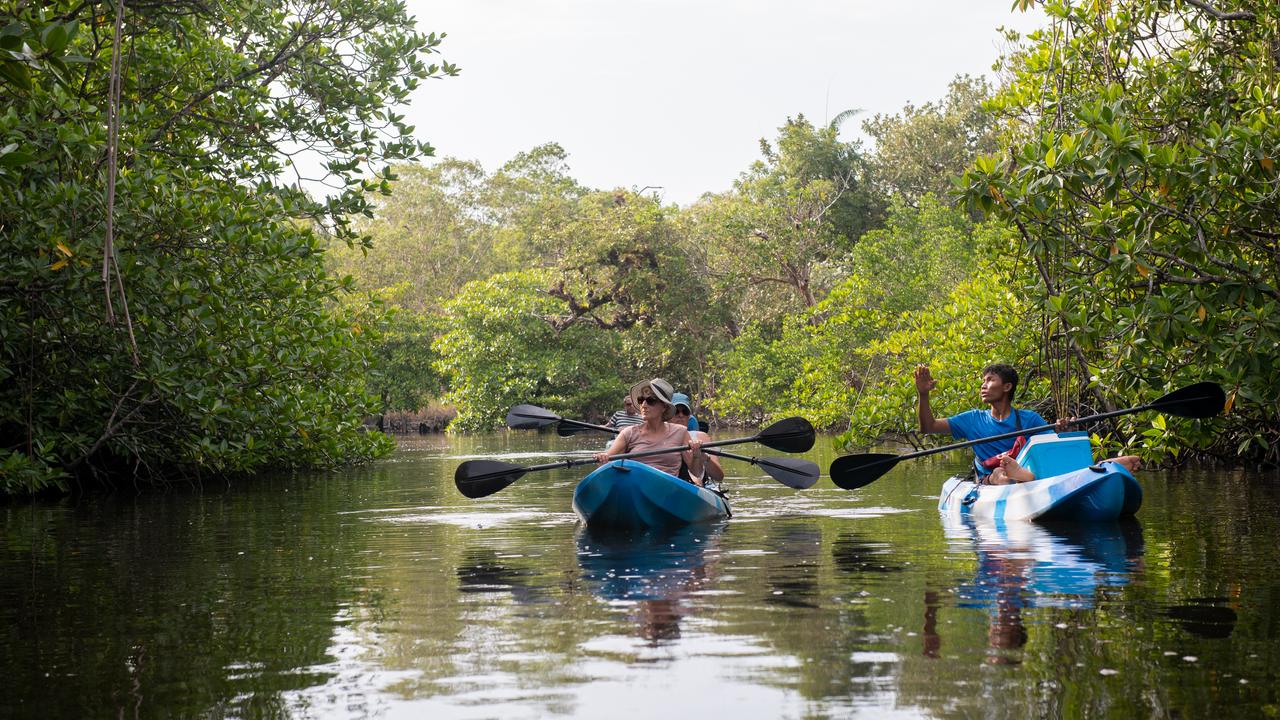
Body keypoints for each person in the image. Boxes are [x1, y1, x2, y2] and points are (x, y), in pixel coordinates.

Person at [916, 363, 1139, 485]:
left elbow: (1052, 448)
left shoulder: (1029, 419)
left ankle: (1105, 466)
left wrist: (1063, 430)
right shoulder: (972, 419)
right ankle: (1022, 476)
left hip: (1027, 470)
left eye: (990, 380)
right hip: (993, 476)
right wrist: (923, 395)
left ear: (1006, 387)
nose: (983, 386)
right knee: (1001, 476)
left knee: (1052, 467)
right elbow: (929, 427)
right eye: (983, 381)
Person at [594, 378, 709, 484]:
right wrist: (602, 459)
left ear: (664, 407)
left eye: (651, 401)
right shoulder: (628, 433)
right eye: (641, 400)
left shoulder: (681, 432)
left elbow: (696, 473)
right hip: (635, 486)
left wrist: (696, 455)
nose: (644, 405)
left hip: (668, 490)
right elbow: (605, 463)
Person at [671, 396, 723, 485]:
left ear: (689, 416)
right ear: (668, 414)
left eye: (685, 412)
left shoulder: (700, 436)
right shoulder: (660, 436)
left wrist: (703, 456)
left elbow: (719, 477)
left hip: (694, 485)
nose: (681, 415)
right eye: (676, 411)